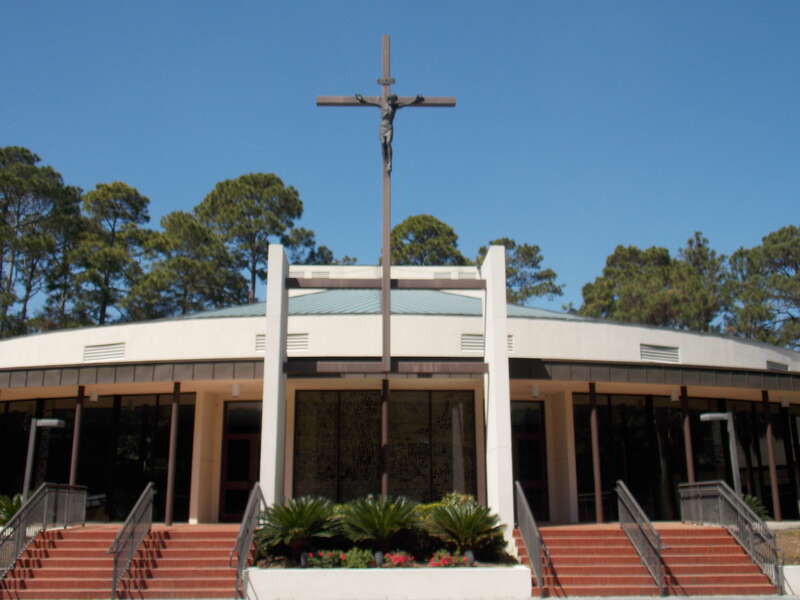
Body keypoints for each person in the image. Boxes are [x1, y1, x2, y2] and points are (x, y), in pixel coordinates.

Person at [355, 93, 424, 173]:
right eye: (392, 100)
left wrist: (415, 100)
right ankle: (385, 161)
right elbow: (371, 102)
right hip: (382, 127)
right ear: (389, 99)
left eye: (394, 100)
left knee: (388, 143)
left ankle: (389, 163)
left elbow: (406, 103)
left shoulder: (395, 107)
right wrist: (362, 99)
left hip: (389, 127)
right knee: (383, 144)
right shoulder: (382, 104)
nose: (393, 101)